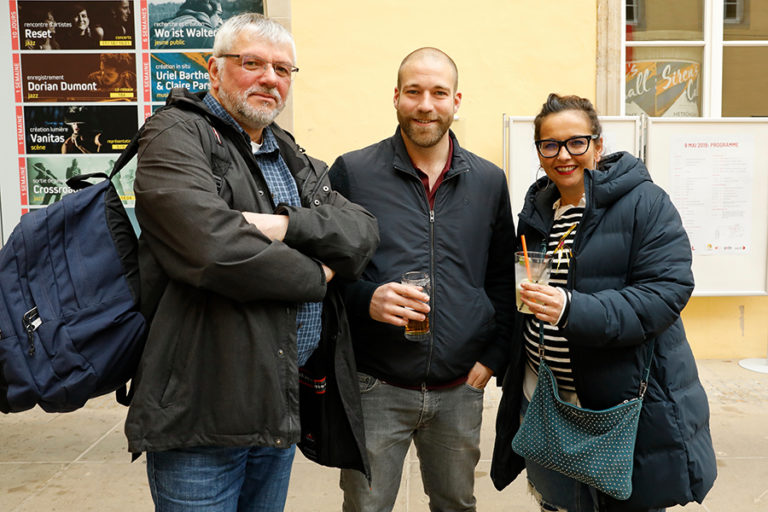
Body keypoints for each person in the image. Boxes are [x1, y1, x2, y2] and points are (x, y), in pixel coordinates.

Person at [124, 13, 379, 511]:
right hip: (201, 414)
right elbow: (212, 248)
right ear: (214, 70)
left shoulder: (287, 152)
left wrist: (283, 226)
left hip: (277, 406)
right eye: (252, 63)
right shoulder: (174, 134)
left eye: (282, 69)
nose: (270, 78)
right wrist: (317, 274)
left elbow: (362, 230)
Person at [490, 93, 717, 511]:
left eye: (576, 142)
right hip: (544, 402)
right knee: (557, 504)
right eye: (550, 145)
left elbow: (665, 293)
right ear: (539, 152)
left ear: (597, 144)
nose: (563, 155)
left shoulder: (645, 202)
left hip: (617, 410)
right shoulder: (538, 212)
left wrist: (571, 309)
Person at [329, 47, 516, 512]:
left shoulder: (488, 181)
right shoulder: (353, 172)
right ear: (396, 97)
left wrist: (493, 358)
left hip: (459, 389)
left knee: (456, 504)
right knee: (366, 507)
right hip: (375, 385)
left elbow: (501, 277)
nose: (425, 105)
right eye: (413, 92)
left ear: (456, 101)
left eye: (438, 93)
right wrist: (366, 299)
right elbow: (324, 271)